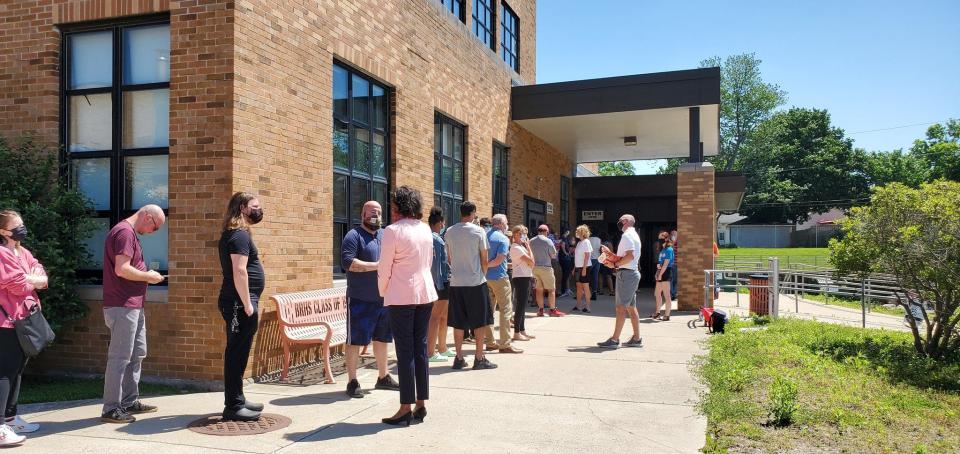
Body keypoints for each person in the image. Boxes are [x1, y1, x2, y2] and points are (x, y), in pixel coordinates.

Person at [377, 186, 438, 426]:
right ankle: (420, 403)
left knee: (405, 351)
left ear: (398, 207)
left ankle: (405, 406)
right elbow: (429, 260)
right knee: (420, 348)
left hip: (402, 294)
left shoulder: (392, 231)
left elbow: (384, 268)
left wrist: (383, 292)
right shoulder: (425, 229)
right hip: (425, 292)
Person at [101, 204, 165, 424]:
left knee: (137, 353)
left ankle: (129, 401)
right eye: (155, 227)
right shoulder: (124, 233)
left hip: (133, 305)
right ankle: (111, 408)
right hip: (122, 305)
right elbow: (122, 269)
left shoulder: (129, 233)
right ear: (147, 216)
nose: (152, 232)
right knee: (120, 357)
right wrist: (148, 276)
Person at [341, 201, 399, 398]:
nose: (376, 216)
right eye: (372, 212)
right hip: (360, 299)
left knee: (382, 339)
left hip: (383, 298)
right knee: (355, 341)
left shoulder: (384, 235)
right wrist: (377, 266)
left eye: (379, 213)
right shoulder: (354, 235)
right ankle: (352, 381)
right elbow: (348, 262)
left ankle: (383, 377)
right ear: (363, 214)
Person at [217, 192, 266, 421]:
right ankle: (233, 406)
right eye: (255, 206)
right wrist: (247, 303)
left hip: (241, 302)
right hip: (239, 303)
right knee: (236, 352)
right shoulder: (238, 236)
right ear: (243, 208)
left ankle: (239, 398)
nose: (259, 210)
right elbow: (239, 271)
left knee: (240, 350)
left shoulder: (238, 234)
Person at [0, 211, 47, 446]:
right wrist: (31, 279)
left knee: (17, 369)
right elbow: (18, 286)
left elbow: (42, 276)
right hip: (5, 321)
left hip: (23, 319)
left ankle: (10, 417)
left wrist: (32, 277)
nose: (22, 228)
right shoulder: (1, 253)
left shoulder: (22, 252)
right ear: (3, 231)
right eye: (17, 225)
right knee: (5, 372)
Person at [444, 201, 497, 370]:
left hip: (456, 282)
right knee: (480, 321)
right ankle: (479, 358)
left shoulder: (450, 232)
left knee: (458, 322)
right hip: (475, 282)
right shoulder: (479, 231)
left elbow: (449, 258)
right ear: (473, 213)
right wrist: (482, 274)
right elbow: (484, 258)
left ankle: (458, 358)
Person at [597, 214, 643, 349]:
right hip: (631, 273)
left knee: (621, 308)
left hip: (626, 275)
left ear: (627, 222)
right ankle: (636, 338)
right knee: (630, 307)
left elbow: (629, 256)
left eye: (621, 220)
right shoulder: (634, 235)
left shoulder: (627, 235)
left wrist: (615, 265)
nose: (619, 222)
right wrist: (612, 256)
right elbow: (629, 256)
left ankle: (615, 339)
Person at [484, 214, 522, 354]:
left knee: (489, 311)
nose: (507, 225)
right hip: (499, 278)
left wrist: (483, 267)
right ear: (501, 224)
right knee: (505, 310)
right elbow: (499, 260)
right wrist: (487, 265)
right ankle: (505, 343)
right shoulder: (503, 239)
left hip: (485, 278)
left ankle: (490, 342)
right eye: (506, 223)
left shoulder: (485, 236)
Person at [426, 207, 454, 362]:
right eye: (443, 224)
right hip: (440, 281)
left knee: (443, 316)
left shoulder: (434, 237)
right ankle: (430, 351)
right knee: (436, 317)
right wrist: (439, 284)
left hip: (442, 280)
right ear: (440, 223)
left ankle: (442, 347)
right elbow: (438, 264)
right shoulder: (436, 239)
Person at [529, 225, 565, 317]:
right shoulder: (548, 241)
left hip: (534, 268)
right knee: (551, 290)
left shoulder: (531, 241)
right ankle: (552, 310)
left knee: (538, 290)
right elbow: (553, 256)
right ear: (546, 232)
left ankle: (540, 310)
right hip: (546, 267)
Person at [508, 225, 535, 341]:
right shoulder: (515, 247)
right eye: (521, 234)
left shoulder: (521, 247)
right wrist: (529, 248)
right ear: (515, 235)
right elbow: (532, 261)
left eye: (525, 234)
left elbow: (531, 262)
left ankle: (522, 330)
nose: (523, 236)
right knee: (520, 305)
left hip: (526, 276)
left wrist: (528, 247)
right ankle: (517, 332)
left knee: (523, 305)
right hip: (520, 277)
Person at [572, 225, 593, 313]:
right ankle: (578, 305)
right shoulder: (580, 242)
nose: (576, 233)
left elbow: (587, 256)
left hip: (585, 267)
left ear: (582, 232)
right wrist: (574, 268)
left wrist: (584, 269)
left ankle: (588, 306)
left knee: (585, 287)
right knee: (579, 287)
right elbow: (577, 257)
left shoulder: (586, 242)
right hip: (578, 267)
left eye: (578, 231)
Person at [653, 238, 675, 321]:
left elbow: (666, 264)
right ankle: (657, 313)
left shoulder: (669, 250)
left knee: (667, 295)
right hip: (661, 272)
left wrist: (660, 274)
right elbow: (660, 263)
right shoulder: (663, 250)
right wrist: (657, 272)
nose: (659, 242)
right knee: (657, 293)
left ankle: (667, 315)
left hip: (666, 272)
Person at [557, 232, 574, 298]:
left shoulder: (563, 238)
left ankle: (565, 290)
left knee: (565, 275)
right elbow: (563, 245)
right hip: (564, 258)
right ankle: (563, 291)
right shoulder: (564, 238)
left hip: (563, 258)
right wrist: (566, 253)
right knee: (565, 275)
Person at [588, 231, 602, 301]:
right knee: (595, 276)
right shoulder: (599, 239)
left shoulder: (588, 239)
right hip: (598, 259)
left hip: (590, 259)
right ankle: (594, 292)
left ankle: (584, 292)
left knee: (586, 276)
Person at [670, 229, 679, 301]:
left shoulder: (679, 243)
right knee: (671, 279)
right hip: (670, 264)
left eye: (674, 234)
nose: (673, 236)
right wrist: (672, 243)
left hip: (677, 264)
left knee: (676, 279)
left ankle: (674, 294)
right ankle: (672, 294)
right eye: (672, 234)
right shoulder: (669, 243)